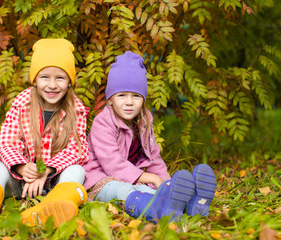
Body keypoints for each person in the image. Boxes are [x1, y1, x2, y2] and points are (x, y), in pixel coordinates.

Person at [0, 39, 89, 231]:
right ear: (34, 79)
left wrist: (47, 170)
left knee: (78, 171)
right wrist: (23, 167)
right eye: (44, 77)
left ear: (70, 82)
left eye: (60, 78)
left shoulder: (76, 109)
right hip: (20, 183)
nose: (52, 85)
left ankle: (51, 207)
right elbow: (6, 143)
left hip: (54, 183)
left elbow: (78, 149)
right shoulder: (22, 105)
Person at [83, 51, 217, 222]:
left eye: (136, 96)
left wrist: (167, 184)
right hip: (100, 180)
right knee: (126, 192)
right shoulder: (103, 122)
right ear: (110, 99)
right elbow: (113, 164)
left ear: (143, 100)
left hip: (129, 178)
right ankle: (158, 212)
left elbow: (154, 159)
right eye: (122, 95)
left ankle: (193, 206)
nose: (129, 102)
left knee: (153, 191)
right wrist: (151, 178)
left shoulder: (144, 121)